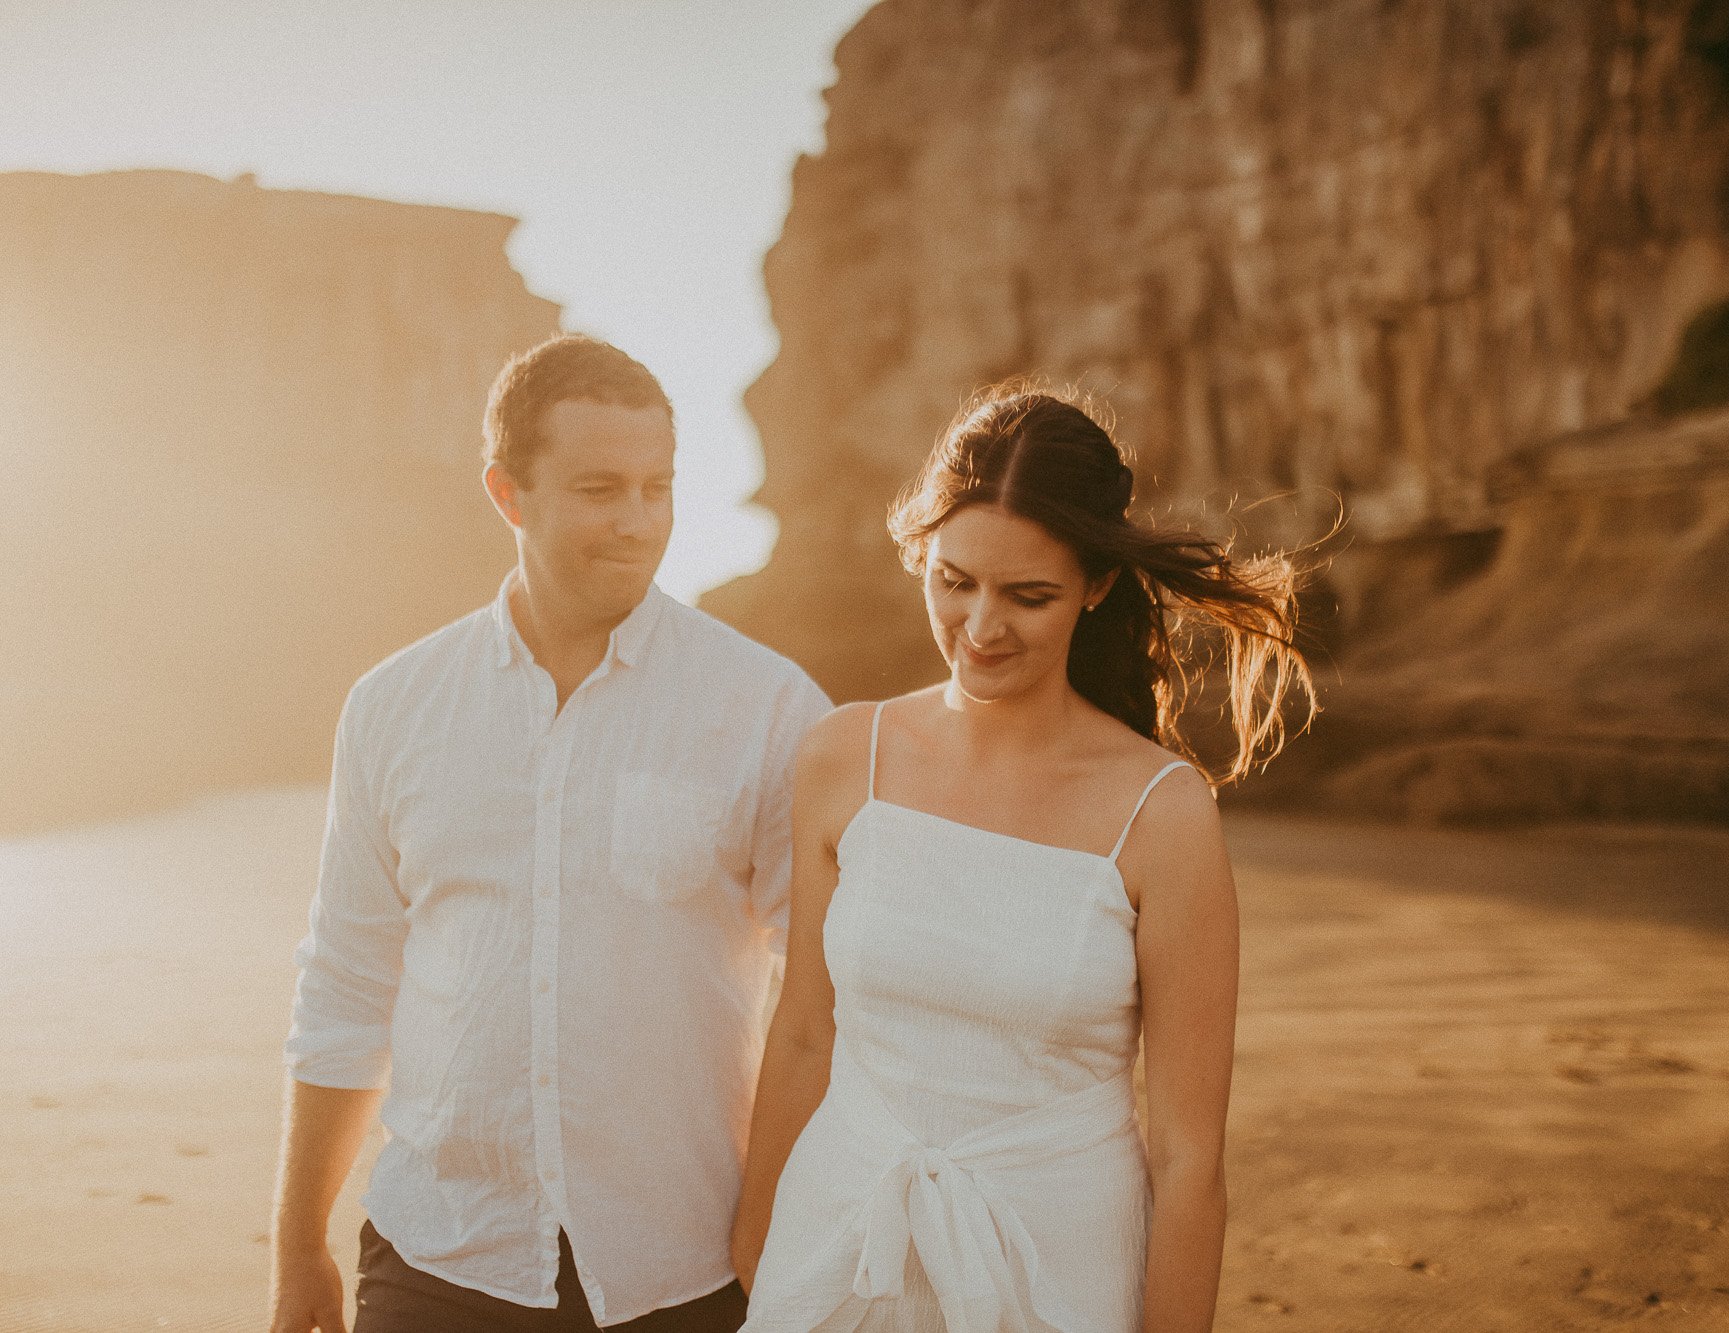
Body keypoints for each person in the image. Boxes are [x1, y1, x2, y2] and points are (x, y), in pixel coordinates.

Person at [270, 334, 830, 1333]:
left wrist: (775, 1227)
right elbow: (348, 982)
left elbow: (819, 998)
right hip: (437, 1248)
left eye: (657, 487)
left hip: (686, 1264)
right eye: (600, 488)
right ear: (507, 494)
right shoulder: (393, 706)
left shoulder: (768, 707)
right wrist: (296, 1241)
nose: (637, 522)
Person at [730, 387, 1317, 1331]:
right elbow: (804, 1028)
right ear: (921, 554)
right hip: (838, 1242)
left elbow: (1187, 1153)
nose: (981, 625)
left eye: (1027, 594)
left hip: (1059, 1260)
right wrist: (758, 1245)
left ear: (1095, 585)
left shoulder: (1161, 814)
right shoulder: (845, 755)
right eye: (954, 580)